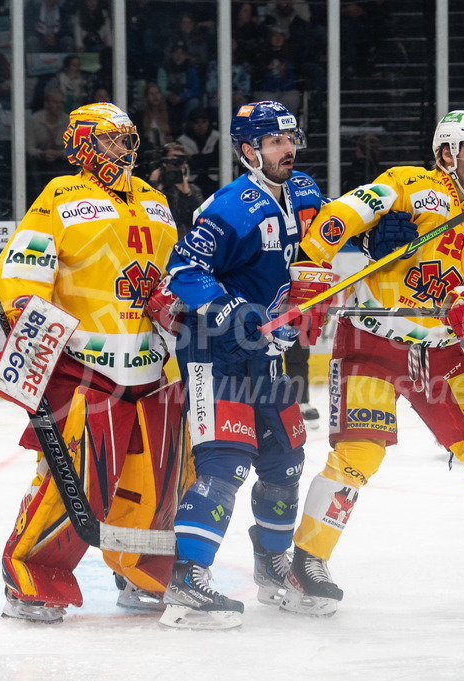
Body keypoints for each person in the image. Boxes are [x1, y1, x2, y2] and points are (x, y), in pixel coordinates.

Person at [280, 110, 464, 617]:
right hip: (371, 340)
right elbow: (340, 215)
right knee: (359, 455)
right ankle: (308, 562)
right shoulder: (407, 185)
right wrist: (312, 272)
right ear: (447, 152)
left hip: (439, 350)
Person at [0, 102, 181, 623]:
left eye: (126, 138)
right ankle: (32, 574)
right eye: (109, 139)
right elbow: (26, 260)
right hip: (83, 365)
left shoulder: (155, 200)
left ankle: (139, 569)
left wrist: (177, 300)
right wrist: (22, 305)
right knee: (73, 479)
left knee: (155, 479)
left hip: (150, 365)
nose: (122, 149)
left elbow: (169, 270)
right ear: (82, 144)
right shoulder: (62, 194)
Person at [157, 101, 325, 630]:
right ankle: (188, 578)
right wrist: (235, 313)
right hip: (215, 350)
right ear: (249, 150)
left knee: (286, 460)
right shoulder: (230, 208)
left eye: (290, 139)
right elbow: (184, 271)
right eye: (275, 142)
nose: (288, 149)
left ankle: (272, 565)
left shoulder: (304, 192)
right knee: (225, 464)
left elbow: (330, 241)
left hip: (267, 354)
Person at [147, 141, 203, 238]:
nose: (176, 165)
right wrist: (154, 186)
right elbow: (148, 212)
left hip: (184, 236)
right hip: (160, 235)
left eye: (179, 161)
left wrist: (188, 194)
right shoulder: (154, 187)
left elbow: (202, 216)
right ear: (164, 163)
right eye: (172, 161)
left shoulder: (193, 190)